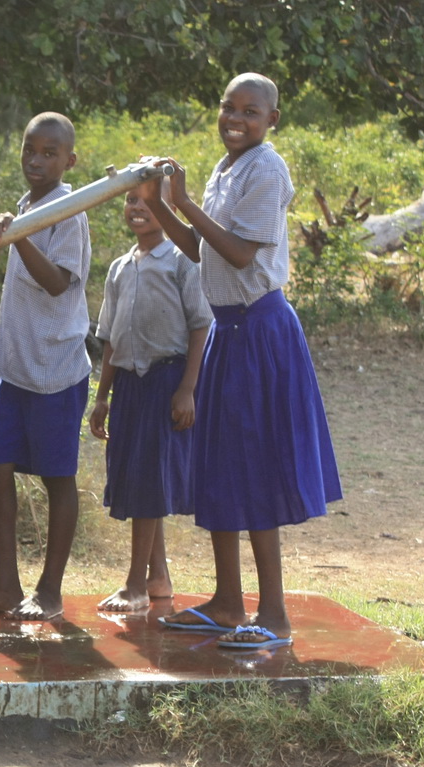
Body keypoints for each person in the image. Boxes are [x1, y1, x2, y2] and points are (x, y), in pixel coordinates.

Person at [144, 73, 341, 650]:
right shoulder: (226, 168)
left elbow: (238, 250)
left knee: (256, 467)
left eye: (250, 112)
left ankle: (274, 614)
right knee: (221, 465)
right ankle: (229, 601)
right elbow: (205, 252)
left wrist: (181, 203)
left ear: (272, 119)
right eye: (228, 108)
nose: (236, 119)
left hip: (260, 331)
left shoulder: (267, 169)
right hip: (228, 329)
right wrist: (164, 207)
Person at [0, 112, 91, 622]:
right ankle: (5, 585)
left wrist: (18, 237)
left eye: (49, 153)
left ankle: (49, 591)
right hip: (16, 368)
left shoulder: (70, 210)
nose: (37, 160)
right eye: (30, 149)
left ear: (69, 160)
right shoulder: (27, 206)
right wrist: (15, 228)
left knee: (57, 477)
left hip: (55, 368)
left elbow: (58, 283)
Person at [88, 184, 212, 614]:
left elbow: (200, 326)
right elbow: (108, 339)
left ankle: (135, 584)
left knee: (149, 482)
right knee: (139, 479)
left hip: (167, 380)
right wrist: (102, 396)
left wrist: (187, 388)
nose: (138, 208)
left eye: (148, 200)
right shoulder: (121, 267)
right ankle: (158, 577)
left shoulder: (182, 260)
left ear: (167, 207)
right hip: (129, 385)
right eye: (131, 200)